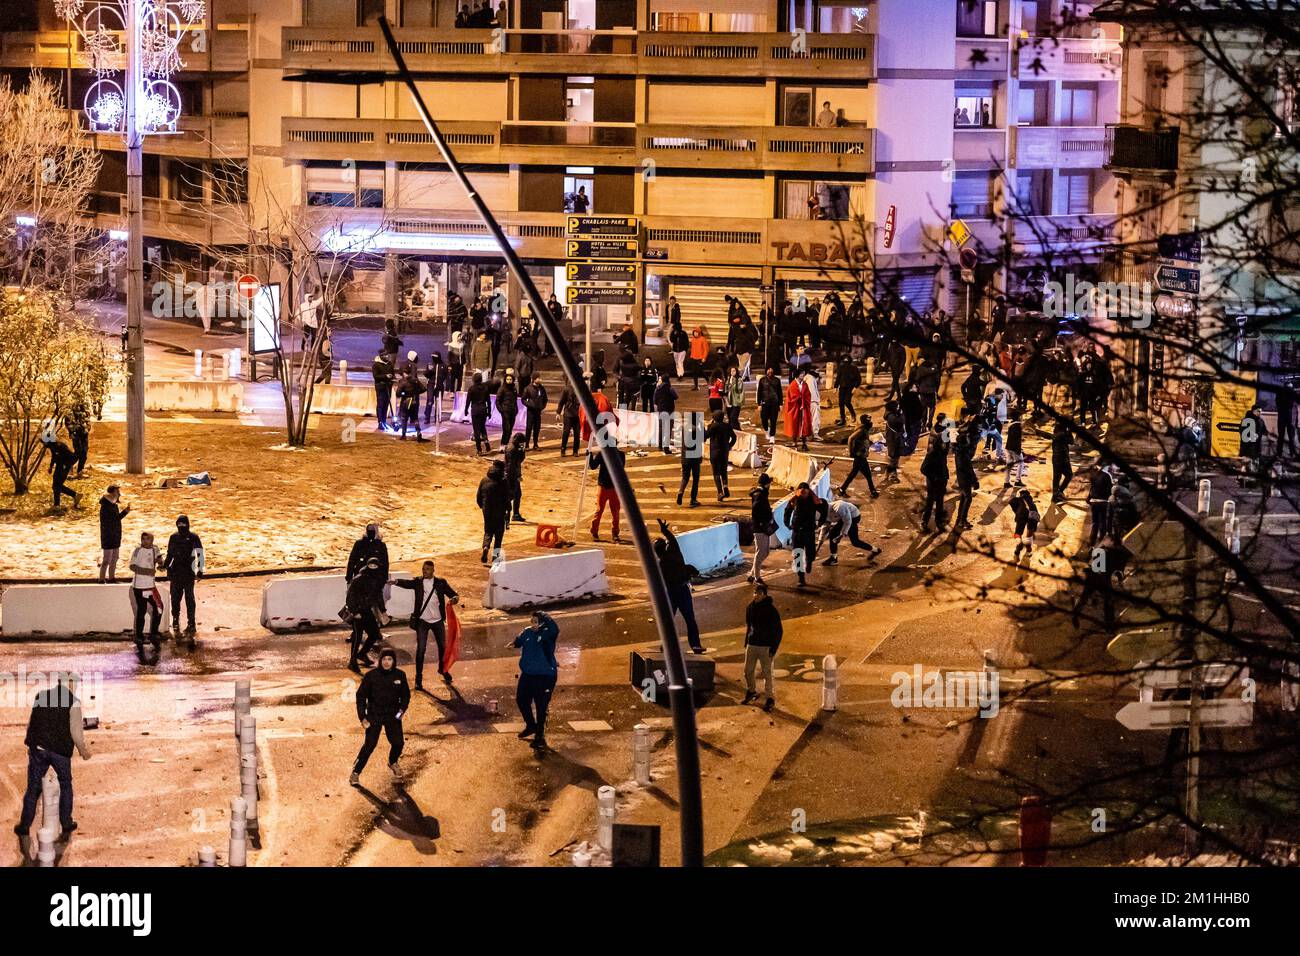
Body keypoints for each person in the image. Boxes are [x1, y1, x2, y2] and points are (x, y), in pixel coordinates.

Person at [13, 673, 90, 839]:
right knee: (65, 785)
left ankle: (24, 826)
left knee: (33, 788)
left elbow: (32, 722)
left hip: (39, 748)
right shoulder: (74, 703)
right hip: (60, 752)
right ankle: (66, 822)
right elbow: (76, 733)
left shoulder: (41, 696)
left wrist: (31, 744)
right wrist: (84, 752)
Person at [391, 560, 459, 689]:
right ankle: (418, 678)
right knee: (421, 649)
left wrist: (454, 599)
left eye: (427, 569)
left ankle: (443, 670)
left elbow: (454, 595)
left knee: (442, 648)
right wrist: (396, 582)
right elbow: (407, 583)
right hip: (422, 621)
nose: (424, 571)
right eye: (423, 569)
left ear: (433, 570)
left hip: (437, 621)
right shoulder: (418, 582)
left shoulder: (440, 583)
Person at [349, 645, 410, 785]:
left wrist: (401, 712)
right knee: (370, 745)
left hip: (393, 716)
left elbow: (406, 696)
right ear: (380, 660)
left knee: (398, 743)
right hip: (374, 715)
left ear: (394, 661)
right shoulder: (371, 676)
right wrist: (362, 718)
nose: (387, 662)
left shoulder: (400, 675)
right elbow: (360, 697)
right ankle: (355, 772)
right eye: (384, 659)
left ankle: (393, 762)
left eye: (390, 659)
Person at [654, 518, 706, 654]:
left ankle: (665, 645)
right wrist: (665, 530)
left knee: (668, 622)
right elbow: (672, 539)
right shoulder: (674, 552)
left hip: (670, 593)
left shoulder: (659, 565)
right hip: (682, 590)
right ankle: (695, 645)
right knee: (690, 619)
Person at [510, 611, 560, 750]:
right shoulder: (527, 632)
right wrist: (514, 643)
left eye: (536, 621)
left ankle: (540, 735)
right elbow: (519, 640)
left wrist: (545, 616)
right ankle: (531, 725)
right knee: (521, 700)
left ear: (543, 623)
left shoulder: (548, 634)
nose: (533, 624)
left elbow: (555, 629)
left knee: (541, 706)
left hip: (545, 676)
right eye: (531, 621)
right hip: (528, 674)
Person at [1071, 536, 1131, 632]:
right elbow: (1118, 573)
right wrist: (1120, 581)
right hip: (1102, 577)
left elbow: (1092, 561)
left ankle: (1075, 614)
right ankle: (1109, 626)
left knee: (1085, 596)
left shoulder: (1102, 546)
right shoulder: (1122, 554)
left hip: (1092, 575)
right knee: (1108, 601)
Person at [162, 514, 204, 645]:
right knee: (175, 597)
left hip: (188, 572)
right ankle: (175, 620)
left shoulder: (193, 537)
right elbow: (170, 554)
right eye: (179, 525)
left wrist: (200, 570)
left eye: (183, 524)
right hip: (176, 572)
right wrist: (165, 566)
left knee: (189, 598)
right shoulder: (173, 537)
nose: (181, 527)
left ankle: (191, 622)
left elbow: (199, 554)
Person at [742, 583, 782, 712]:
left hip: (766, 646)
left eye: (759, 593)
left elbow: (778, 630)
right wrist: (746, 642)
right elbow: (749, 626)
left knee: (767, 673)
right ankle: (751, 691)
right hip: (752, 644)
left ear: (764, 595)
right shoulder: (750, 608)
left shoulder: (771, 610)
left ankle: (769, 698)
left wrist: (773, 648)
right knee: (748, 671)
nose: (756, 595)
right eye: (755, 592)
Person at [346, 557, 386, 672]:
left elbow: (378, 595)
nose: (373, 568)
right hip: (358, 611)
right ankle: (352, 662)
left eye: (375, 566)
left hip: (367, 611)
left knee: (374, 634)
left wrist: (383, 610)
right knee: (357, 636)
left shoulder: (377, 579)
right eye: (371, 565)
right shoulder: (359, 578)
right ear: (367, 565)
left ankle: (362, 654)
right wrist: (355, 612)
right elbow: (350, 597)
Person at [783, 482, 827, 588]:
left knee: (811, 552)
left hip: (809, 531)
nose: (804, 494)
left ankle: (809, 561)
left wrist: (820, 522)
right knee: (798, 555)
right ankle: (801, 578)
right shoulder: (795, 499)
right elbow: (788, 511)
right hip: (797, 531)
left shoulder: (813, 499)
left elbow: (823, 508)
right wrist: (787, 523)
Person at [129, 531, 163, 660]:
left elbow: (159, 559)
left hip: (150, 586)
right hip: (139, 586)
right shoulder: (137, 550)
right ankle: (141, 636)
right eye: (143, 539)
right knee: (144, 610)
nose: (145, 542)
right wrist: (148, 571)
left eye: (147, 539)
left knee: (158, 608)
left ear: (152, 540)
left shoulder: (155, 548)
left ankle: (151, 634)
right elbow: (132, 567)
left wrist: (161, 564)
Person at [821, 497, 881, 564]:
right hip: (843, 519)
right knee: (835, 535)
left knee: (854, 541)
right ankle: (833, 557)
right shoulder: (823, 511)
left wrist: (840, 536)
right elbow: (826, 523)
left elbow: (848, 522)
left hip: (853, 517)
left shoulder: (840, 507)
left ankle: (876, 550)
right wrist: (822, 536)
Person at [588, 444, 626, 542]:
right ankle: (598, 532)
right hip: (607, 486)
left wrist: (590, 456)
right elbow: (593, 466)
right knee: (605, 510)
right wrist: (590, 456)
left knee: (611, 511)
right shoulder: (617, 455)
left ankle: (610, 533)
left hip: (610, 486)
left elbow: (592, 466)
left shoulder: (606, 454)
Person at [919, 419, 951, 533]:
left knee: (940, 502)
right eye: (944, 443)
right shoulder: (932, 453)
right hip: (933, 482)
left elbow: (943, 466)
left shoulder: (942, 454)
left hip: (941, 480)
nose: (945, 445)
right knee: (930, 502)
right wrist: (934, 477)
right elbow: (923, 469)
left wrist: (945, 476)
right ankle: (924, 522)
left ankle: (939, 522)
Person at [477, 459, 511, 563]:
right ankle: (495, 558)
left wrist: (482, 507)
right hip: (499, 512)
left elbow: (478, 496)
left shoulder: (484, 479)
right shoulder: (503, 481)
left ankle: (486, 546)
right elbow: (506, 498)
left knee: (488, 531)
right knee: (498, 536)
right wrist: (509, 509)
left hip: (487, 511)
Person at [839, 414, 879, 498]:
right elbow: (850, 438)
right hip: (859, 456)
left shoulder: (864, 429)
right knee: (855, 474)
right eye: (868, 420)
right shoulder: (861, 430)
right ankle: (842, 490)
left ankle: (873, 491)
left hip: (862, 455)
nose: (870, 421)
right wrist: (851, 452)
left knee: (867, 474)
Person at [748, 473, 777, 584]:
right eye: (769, 483)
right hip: (760, 528)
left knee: (764, 552)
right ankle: (757, 577)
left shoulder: (761, 494)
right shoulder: (760, 495)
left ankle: (752, 574)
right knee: (761, 553)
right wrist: (763, 520)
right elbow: (756, 509)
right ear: (766, 484)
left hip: (762, 527)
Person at [98, 485, 129, 582]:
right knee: (107, 559)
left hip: (115, 535)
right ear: (111, 493)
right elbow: (113, 520)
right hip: (108, 536)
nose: (119, 494)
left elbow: (115, 519)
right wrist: (125, 512)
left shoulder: (113, 506)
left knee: (115, 558)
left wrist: (124, 512)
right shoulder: (105, 507)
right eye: (117, 492)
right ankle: (101, 579)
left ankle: (111, 578)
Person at [953, 422, 980, 531]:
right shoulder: (963, 454)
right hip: (965, 479)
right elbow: (968, 469)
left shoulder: (960, 452)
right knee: (967, 498)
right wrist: (975, 481)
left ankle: (960, 519)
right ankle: (962, 521)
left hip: (962, 478)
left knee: (964, 497)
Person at [706, 410, 737, 501]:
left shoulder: (712, 426)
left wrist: (709, 426)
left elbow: (706, 436)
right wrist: (729, 445)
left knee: (716, 473)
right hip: (724, 452)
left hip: (715, 452)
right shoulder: (727, 426)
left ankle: (720, 492)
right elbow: (734, 437)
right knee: (724, 471)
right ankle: (726, 486)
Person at [44, 438, 81, 510]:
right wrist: (51, 466)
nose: (43, 445)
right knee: (56, 486)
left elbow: (70, 457)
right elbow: (54, 456)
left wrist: (67, 467)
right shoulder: (53, 446)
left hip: (64, 466)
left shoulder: (59, 446)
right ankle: (74, 495)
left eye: (44, 442)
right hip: (61, 466)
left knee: (56, 485)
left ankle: (57, 505)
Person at [677, 411, 704, 507]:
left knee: (685, 477)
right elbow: (702, 439)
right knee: (696, 479)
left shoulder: (684, 428)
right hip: (694, 457)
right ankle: (693, 499)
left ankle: (681, 492)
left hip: (685, 457)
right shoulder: (695, 430)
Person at [784, 370, 813, 451]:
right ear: (797, 375)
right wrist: (798, 401)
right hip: (794, 408)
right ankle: (795, 442)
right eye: (801, 374)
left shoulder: (805, 384)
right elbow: (790, 398)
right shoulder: (792, 385)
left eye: (803, 374)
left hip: (803, 409)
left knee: (805, 425)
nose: (803, 375)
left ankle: (804, 443)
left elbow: (808, 395)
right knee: (794, 425)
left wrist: (804, 403)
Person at [1087, 464, 1115, 546]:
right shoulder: (1107, 476)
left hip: (1094, 502)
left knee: (1095, 523)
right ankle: (1100, 542)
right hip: (1103, 502)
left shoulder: (1093, 476)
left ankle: (1091, 542)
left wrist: (1088, 498)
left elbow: (1092, 489)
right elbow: (1110, 491)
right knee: (1103, 522)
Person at [396, 366, 427, 442]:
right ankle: (418, 432)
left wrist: (404, 394)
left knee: (404, 418)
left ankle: (403, 435)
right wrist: (416, 393)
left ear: (404, 373)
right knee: (415, 418)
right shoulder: (415, 380)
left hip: (406, 402)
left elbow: (398, 393)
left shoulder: (402, 381)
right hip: (414, 401)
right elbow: (423, 388)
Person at [1009, 488, 1040, 564]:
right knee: (1029, 535)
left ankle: (1019, 543)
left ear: (1020, 494)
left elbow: (1010, 502)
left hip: (1022, 513)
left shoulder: (1017, 499)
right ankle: (1028, 551)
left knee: (1018, 534)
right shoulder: (1033, 504)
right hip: (1034, 513)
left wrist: (1017, 512)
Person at [467, 372, 494, 455]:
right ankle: (487, 446)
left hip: (475, 410)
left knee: (476, 431)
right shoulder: (485, 388)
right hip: (483, 410)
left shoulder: (471, 388)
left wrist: (465, 410)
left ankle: (479, 449)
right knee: (483, 429)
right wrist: (489, 412)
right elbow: (489, 402)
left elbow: (468, 401)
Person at [520, 374, 548, 450]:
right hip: (531, 412)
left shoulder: (542, 388)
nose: (540, 379)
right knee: (529, 428)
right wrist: (530, 405)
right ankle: (527, 445)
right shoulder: (528, 388)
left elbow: (545, 399)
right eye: (539, 378)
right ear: (534, 379)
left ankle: (535, 444)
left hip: (538, 412)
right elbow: (523, 399)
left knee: (537, 428)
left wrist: (542, 406)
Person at [505, 432, 528, 522]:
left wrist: (522, 450)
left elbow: (520, 460)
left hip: (511, 474)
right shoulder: (513, 450)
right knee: (513, 495)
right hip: (511, 476)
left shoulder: (514, 447)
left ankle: (514, 514)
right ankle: (511, 514)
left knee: (515, 495)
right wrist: (517, 476)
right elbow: (512, 465)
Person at [653, 373, 678, 455]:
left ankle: (660, 445)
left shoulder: (658, 389)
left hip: (661, 411)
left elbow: (655, 401)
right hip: (669, 411)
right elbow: (676, 396)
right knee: (668, 429)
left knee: (661, 428)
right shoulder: (670, 388)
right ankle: (666, 448)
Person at [757, 366, 783, 441]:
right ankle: (766, 430)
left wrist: (781, 404)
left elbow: (779, 392)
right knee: (764, 419)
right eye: (768, 369)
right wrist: (759, 404)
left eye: (771, 369)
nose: (770, 371)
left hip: (775, 403)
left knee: (773, 420)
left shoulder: (777, 380)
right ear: (766, 370)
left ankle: (772, 436)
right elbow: (759, 392)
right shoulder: (762, 380)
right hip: (765, 402)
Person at [556, 381, 582, 456]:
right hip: (568, 414)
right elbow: (561, 402)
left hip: (577, 415)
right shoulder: (567, 389)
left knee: (577, 433)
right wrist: (558, 412)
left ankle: (575, 451)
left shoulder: (581, 389)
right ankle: (563, 449)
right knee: (566, 432)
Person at [1051, 419, 1074, 503]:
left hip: (1057, 458)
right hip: (1062, 458)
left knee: (1057, 478)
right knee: (1068, 475)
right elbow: (1071, 441)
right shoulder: (1062, 433)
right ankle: (1057, 494)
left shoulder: (1058, 430)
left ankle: (1057, 493)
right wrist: (1069, 431)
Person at [835, 354, 862, 426]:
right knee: (841, 403)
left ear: (850, 360)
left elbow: (859, 379)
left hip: (850, 388)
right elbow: (838, 378)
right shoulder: (841, 367)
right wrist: (835, 387)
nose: (846, 360)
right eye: (844, 359)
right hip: (842, 388)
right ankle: (842, 419)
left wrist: (855, 387)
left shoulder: (854, 368)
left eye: (847, 359)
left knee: (847, 402)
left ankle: (853, 414)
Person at [372, 352, 395, 431]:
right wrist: (385, 376)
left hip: (388, 387)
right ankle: (380, 422)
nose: (387, 356)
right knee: (380, 404)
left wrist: (392, 378)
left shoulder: (389, 364)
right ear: (381, 356)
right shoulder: (376, 365)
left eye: (387, 355)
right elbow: (376, 376)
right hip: (380, 387)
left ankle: (384, 421)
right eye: (385, 355)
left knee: (386, 404)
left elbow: (392, 373)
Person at [496, 368, 520, 449]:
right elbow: (498, 401)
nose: (509, 381)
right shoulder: (502, 389)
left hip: (512, 411)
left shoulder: (514, 389)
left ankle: (505, 444)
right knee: (506, 429)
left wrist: (516, 409)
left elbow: (515, 400)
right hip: (505, 412)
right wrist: (501, 410)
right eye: (507, 379)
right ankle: (502, 445)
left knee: (510, 431)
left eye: (510, 379)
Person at [1004, 407, 1025, 487]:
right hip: (1014, 448)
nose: (1021, 417)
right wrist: (1018, 450)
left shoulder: (1011, 424)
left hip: (1008, 447)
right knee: (1021, 463)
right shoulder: (1017, 426)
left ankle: (1006, 482)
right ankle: (1017, 480)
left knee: (1009, 465)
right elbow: (1016, 439)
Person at [884, 400, 904, 484]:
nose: (898, 407)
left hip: (894, 439)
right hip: (894, 440)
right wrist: (902, 414)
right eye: (897, 406)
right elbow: (901, 421)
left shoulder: (891, 415)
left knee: (895, 458)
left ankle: (891, 473)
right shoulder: (892, 417)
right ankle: (892, 474)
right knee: (894, 458)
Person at [669, 310, 688, 379]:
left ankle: (681, 374)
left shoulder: (683, 333)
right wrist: (674, 334)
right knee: (677, 363)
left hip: (682, 350)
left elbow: (686, 342)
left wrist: (685, 349)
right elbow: (671, 340)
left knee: (680, 362)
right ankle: (678, 374)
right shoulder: (673, 333)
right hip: (675, 350)